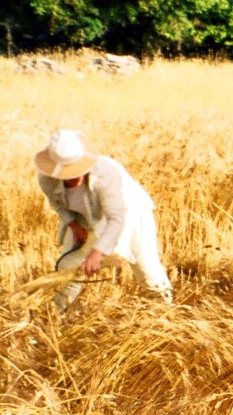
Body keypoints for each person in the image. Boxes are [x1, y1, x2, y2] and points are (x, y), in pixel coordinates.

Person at [35, 129, 173, 311]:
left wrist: (97, 253)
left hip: (128, 212)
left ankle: (166, 313)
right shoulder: (47, 178)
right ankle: (60, 319)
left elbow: (116, 218)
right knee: (68, 270)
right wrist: (75, 227)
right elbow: (57, 203)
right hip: (84, 218)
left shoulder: (105, 174)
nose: (72, 176)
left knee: (147, 269)